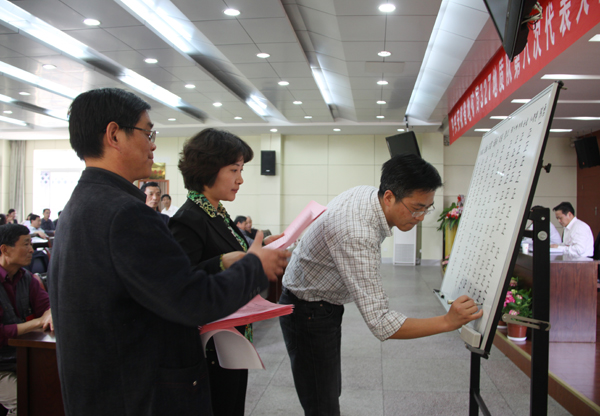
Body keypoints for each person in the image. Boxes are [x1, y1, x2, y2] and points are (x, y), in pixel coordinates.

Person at [48, 88, 290, 416]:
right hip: (137, 393)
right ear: (114, 135)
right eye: (147, 133)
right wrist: (254, 267)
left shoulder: (82, 202)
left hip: (103, 389)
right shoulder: (126, 213)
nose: (153, 145)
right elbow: (190, 299)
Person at [279, 154, 483, 416]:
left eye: (427, 208)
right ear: (388, 197)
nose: (421, 217)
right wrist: (447, 321)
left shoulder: (367, 195)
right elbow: (381, 323)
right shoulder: (357, 232)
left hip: (319, 303)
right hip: (307, 311)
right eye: (416, 208)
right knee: (322, 402)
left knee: (326, 390)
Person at [169, 128, 282, 416]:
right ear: (208, 169)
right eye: (234, 170)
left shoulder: (217, 213)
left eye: (241, 170)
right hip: (211, 348)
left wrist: (261, 247)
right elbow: (178, 284)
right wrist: (221, 262)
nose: (240, 179)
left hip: (233, 336)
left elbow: (235, 253)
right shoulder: (188, 219)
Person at [0, 224, 53, 415]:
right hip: (2, 366)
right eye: (26, 244)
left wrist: (49, 313)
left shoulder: (26, 278)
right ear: (5, 249)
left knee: (53, 389)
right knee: (26, 400)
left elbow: (47, 307)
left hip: (20, 358)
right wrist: (37, 322)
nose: (32, 249)